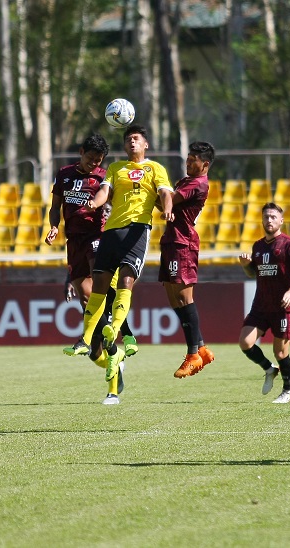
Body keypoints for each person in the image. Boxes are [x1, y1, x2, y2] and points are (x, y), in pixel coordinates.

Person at [45, 134, 138, 404]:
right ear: (81, 151)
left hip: (99, 237)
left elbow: (115, 201)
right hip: (73, 242)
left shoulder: (104, 177)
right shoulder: (63, 175)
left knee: (101, 282)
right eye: (90, 159)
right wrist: (53, 226)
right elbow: (55, 207)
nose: (93, 164)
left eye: (98, 161)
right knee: (88, 305)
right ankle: (112, 358)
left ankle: (118, 335)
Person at [80, 125, 174, 383]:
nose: (131, 142)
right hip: (111, 231)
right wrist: (95, 203)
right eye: (128, 139)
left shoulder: (155, 169)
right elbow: (104, 191)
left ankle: (117, 331)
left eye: (136, 139)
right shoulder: (115, 168)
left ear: (146, 145)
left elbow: (166, 192)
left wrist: (167, 210)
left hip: (137, 230)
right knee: (100, 283)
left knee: (127, 280)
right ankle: (101, 338)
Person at [238, 203, 290, 403]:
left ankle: (288, 390)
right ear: (261, 220)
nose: (269, 220)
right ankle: (269, 369)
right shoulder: (258, 246)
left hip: (281, 307)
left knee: (280, 352)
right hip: (260, 306)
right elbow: (254, 273)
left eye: (273, 217)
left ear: (281, 220)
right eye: (266, 217)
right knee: (245, 342)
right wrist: (246, 266)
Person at [160, 141, 217, 378]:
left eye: (193, 159)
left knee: (184, 298)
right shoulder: (187, 180)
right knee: (173, 296)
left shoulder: (198, 184)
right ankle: (201, 348)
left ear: (205, 164)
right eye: (187, 158)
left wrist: (162, 194)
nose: (188, 162)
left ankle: (193, 354)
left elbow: (170, 199)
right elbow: (168, 201)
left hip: (183, 243)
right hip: (171, 240)